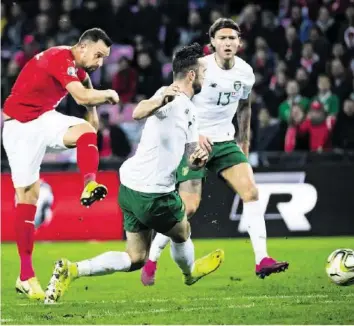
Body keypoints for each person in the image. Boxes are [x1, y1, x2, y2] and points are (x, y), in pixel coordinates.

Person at [44, 43, 224, 304]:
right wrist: (160, 99)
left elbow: (190, 156)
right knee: (182, 231)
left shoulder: (189, 110)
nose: (206, 78)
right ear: (192, 75)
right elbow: (139, 111)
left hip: (129, 187)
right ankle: (190, 273)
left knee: (135, 257)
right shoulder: (169, 95)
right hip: (153, 194)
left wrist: (198, 157)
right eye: (204, 73)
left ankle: (72, 270)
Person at [142, 18, 289, 286]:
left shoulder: (245, 73)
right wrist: (190, 133)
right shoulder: (199, 69)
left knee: (252, 192)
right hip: (193, 142)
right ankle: (152, 258)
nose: (228, 43)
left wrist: (244, 142)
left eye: (232, 38)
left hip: (225, 141)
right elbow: (178, 100)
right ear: (212, 43)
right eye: (222, 38)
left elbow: (245, 107)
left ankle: (262, 259)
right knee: (188, 207)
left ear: (239, 42)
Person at [2, 28, 120, 300]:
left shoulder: (79, 69)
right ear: (82, 47)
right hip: (19, 127)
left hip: (44, 118)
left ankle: (90, 184)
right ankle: (25, 275)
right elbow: (81, 96)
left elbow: (87, 94)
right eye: (98, 55)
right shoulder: (60, 57)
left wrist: (91, 121)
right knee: (27, 197)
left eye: (104, 58)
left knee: (84, 132)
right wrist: (108, 95)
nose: (100, 62)